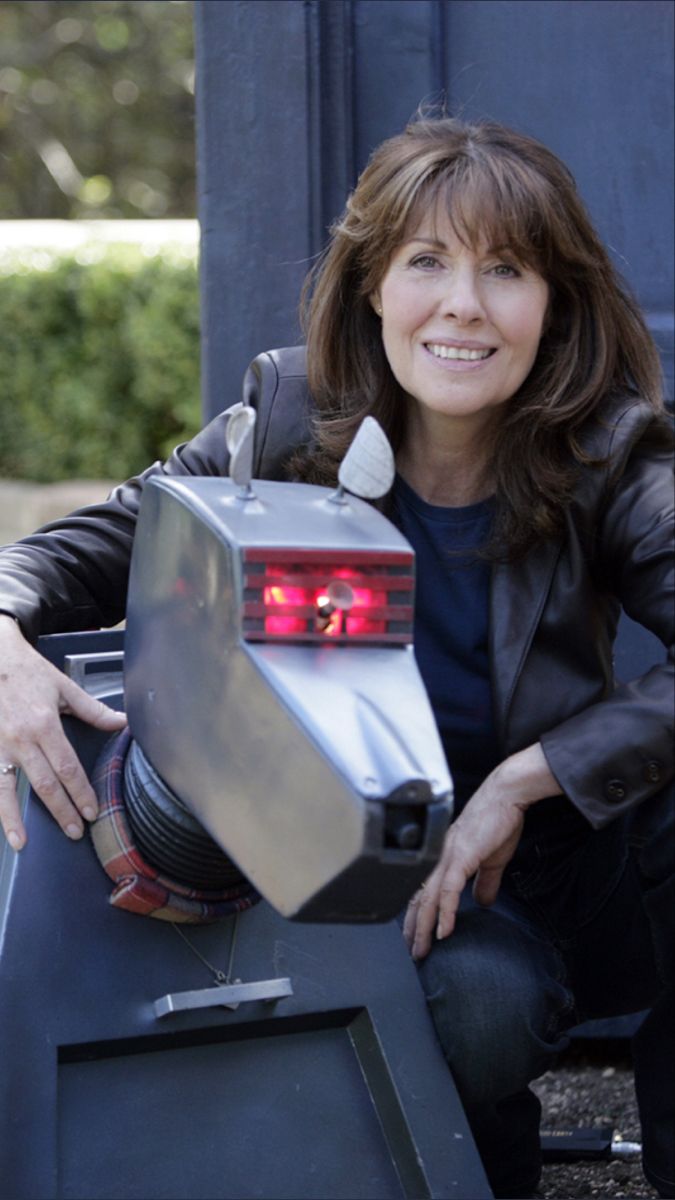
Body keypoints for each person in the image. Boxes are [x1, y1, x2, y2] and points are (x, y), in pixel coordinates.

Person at [0, 116, 672, 1198]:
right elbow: (71, 554)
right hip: (288, 871)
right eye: (426, 262)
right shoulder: (280, 430)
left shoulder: (610, 453)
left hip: (508, 887)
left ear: (552, 305)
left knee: (478, 1008)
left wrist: (526, 779)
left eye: (506, 269)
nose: (463, 303)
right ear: (371, 285)